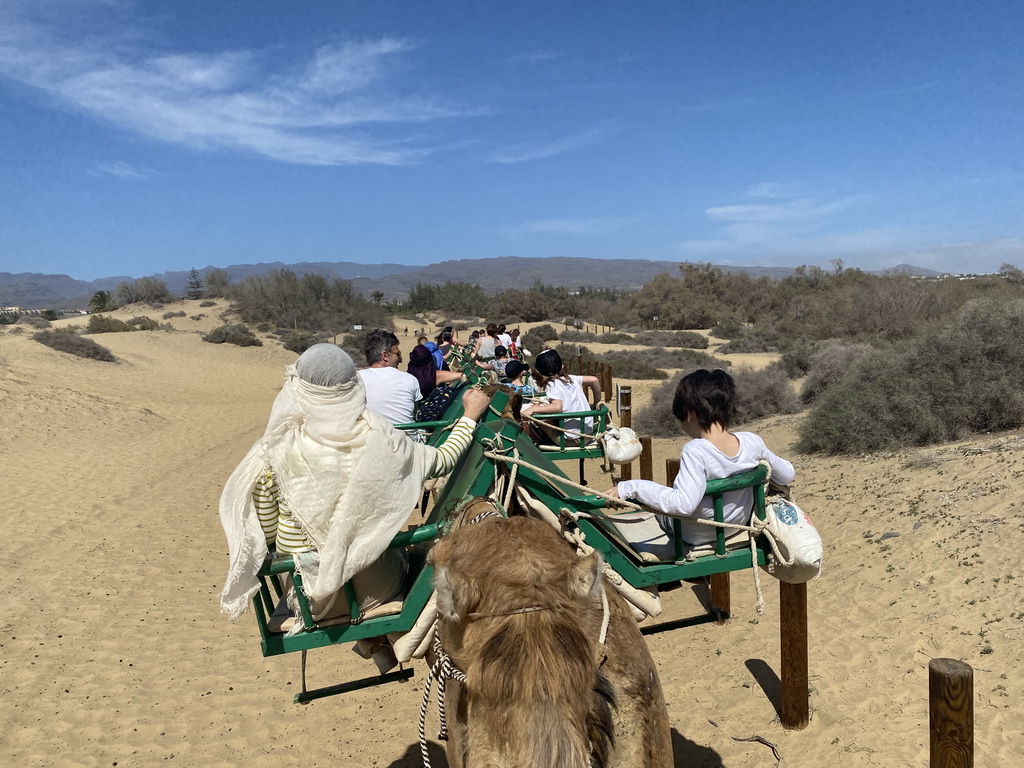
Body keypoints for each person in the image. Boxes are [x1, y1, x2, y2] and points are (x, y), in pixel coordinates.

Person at [218, 344, 491, 630]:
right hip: (376, 589)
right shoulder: (380, 439)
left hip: (307, 599)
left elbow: (269, 534)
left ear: (297, 389)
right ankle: (378, 643)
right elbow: (444, 460)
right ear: (353, 387)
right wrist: (470, 415)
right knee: (392, 544)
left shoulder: (271, 453)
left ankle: (374, 646)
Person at [607, 369, 795, 547]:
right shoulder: (753, 442)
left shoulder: (696, 450)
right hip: (736, 527)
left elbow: (683, 505)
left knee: (657, 511)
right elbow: (787, 475)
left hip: (695, 535)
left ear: (689, 414)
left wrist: (631, 487)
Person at [520, 349, 601, 441]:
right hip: (588, 433)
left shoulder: (552, 384)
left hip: (572, 439)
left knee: (539, 419)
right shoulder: (571, 379)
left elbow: (557, 407)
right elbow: (594, 380)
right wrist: (596, 403)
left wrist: (533, 409)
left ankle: (539, 440)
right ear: (561, 365)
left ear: (540, 371)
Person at [357, 329, 422, 425]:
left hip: (369, 437)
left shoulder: (356, 379)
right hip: (406, 438)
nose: (400, 360)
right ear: (385, 355)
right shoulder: (409, 379)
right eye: (398, 354)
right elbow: (414, 413)